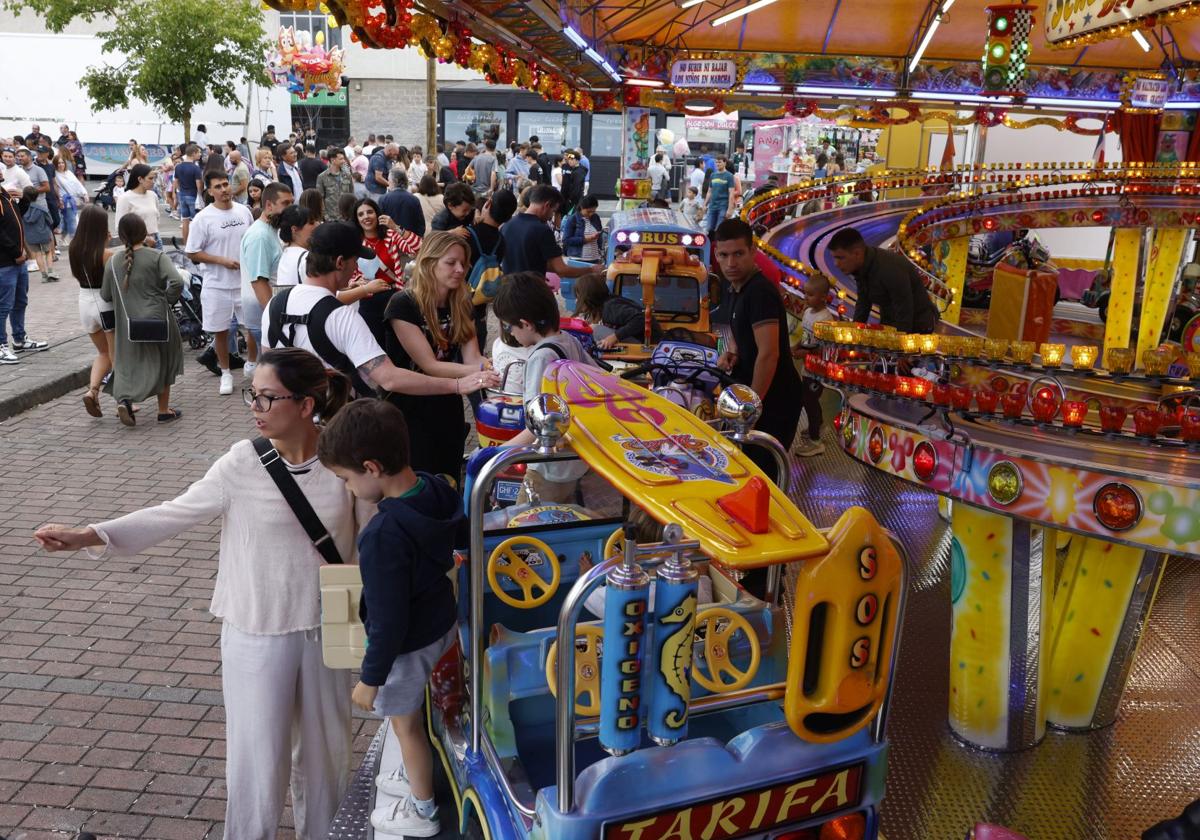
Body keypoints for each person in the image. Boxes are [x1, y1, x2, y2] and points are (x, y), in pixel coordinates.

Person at [36, 348, 361, 839]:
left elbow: (372, 542)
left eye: (268, 398)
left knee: (328, 756)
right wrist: (91, 534)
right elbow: (174, 513)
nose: (255, 406)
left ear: (306, 404)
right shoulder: (242, 463)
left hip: (331, 625)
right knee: (256, 761)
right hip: (256, 628)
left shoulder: (344, 464)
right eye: (254, 395)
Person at [316, 399, 461, 837]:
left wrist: (371, 678)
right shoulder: (436, 488)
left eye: (346, 478)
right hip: (441, 620)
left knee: (406, 726)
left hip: (408, 642)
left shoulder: (382, 534)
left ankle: (422, 809)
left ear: (372, 466)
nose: (347, 488)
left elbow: (387, 619)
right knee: (419, 713)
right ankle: (417, 780)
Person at [263, 221, 498, 399]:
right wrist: (457, 385)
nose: (357, 267)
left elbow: (266, 365)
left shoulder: (275, 304)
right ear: (340, 263)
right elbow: (388, 378)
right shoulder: (342, 316)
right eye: (356, 260)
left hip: (286, 419)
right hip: (333, 425)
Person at [383, 232, 488, 479]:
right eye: (451, 263)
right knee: (417, 476)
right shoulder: (403, 304)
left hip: (448, 398)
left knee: (448, 475)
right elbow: (429, 365)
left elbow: (473, 357)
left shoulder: (462, 302)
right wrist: (481, 372)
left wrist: (501, 364)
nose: (460, 269)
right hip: (409, 406)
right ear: (429, 263)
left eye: (463, 263)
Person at [493, 271, 600, 502]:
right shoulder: (568, 340)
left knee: (523, 527)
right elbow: (597, 379)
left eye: (508, 326)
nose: (510, 333)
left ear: (526, 324)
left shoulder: (540, 358)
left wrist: (495, 454)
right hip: (575, 463)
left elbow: (536, 426)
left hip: (547, 469)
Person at [712, 219, 802, 480]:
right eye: (724, 255)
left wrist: (749, 410)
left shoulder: (759, 292)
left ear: (753, 252)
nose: (731, 263)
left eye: (738, 254)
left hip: (773, 401)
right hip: (756, 398)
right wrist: (733, 352)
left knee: (762, 479)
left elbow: (769, 354)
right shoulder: (735, 289)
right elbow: (743, 336)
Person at [101, 213, 184, 425]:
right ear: (143, 231)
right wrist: (166, 300)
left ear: (121, 235)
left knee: (128, 363)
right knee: (163, 362)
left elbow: (105, 295)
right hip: (158, 318)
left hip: (129, 324)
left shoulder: (113, 262)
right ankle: (163, 410)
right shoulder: (156, 256)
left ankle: (125, 400)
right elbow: (176, 281)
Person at [187, 171, 256, 395]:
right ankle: (225, 372)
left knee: (253, 327)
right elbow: (192, 252)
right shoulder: (203, 218)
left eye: (226, 184)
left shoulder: (244, 211)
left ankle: (252, 364)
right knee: (220, 330)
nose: (224, 189)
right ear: (209, 191)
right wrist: (221, 261)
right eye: (218, 186)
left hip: (245, 282)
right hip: (217, 283)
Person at [829, 227, 939, 334]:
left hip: (918, 328)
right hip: (892, 323)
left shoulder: (889, 268)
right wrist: (853, 334)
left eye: (840, 258)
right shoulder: (863, 266)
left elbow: (904, 313)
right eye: (834, 258)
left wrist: (897, 345)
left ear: (857, 253)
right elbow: (863, 303)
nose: (836, 264)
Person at [351, 197, 422, 348]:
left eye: (370, 212)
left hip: (393, 296)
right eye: (361, 214)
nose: (366, 217)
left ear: (378, 214)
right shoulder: (354, 242)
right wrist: (356, 282)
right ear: (356, 219)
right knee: (374, 345)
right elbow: (348, 271)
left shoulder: (390, 235)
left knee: (397, 345)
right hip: (368, 298)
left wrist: (396, 227)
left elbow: (418, 249)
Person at [70, 205, 117, 416]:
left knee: (102, 353)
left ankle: (93, 391)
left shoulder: (73, 249)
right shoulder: (106, 254)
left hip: (84, 301)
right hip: (105, 304)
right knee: (117, 355)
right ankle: (124, 402)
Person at [241, 181, 294, 365]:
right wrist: (275, 319)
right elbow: (259, 281)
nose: (290, 209)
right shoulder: (260, 236)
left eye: (291, 203)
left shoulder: (272, 230)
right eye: (285, 203)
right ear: (269, 205)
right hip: (265, 314)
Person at [500, 184, 590, 279]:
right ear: (547, 205)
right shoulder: (542, 230)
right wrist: (591, 270)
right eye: (553, 211)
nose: (551, 216)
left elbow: (523, 260)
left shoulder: (507, 225)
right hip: (530, 289)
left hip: (507, 289)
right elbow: (561, 269)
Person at [464, 189, 516, 352]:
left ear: (487, 204)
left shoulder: (468, 233)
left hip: (460, 296)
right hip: (480, 298)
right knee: (478, 333)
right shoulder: (501, 240)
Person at [789, 273, 834, 458]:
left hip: (818, 369)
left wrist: (803, 353)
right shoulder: (808, 313)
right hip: (808, 367)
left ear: (823, 297)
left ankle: (816, 442)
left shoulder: (825, 320)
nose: (805, 298)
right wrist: (797, 346)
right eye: (805, 293)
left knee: (810, 400)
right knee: (808, 398)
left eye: (810, 295)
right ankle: (818, 424)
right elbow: (805, 336)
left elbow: (822, 349)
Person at [0, 188, 46, 363]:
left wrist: (24, 201)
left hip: (17, 261)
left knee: (20, 301)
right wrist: (15, 253)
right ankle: (1, 346)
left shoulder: (4, 194)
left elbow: (16, 218)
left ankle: (19, 339)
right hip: (6, 262)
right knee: (3, 306)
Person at [573, 272, 661, 350]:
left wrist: (614, 337)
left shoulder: (609, 307)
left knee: (594, 329)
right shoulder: (608, 303)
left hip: (647, 346)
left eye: (578, 297)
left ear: (589, 297)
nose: (576, 301)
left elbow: (641, 317)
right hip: (642, 341)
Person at [115, 163, 162, 249]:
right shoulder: (125, 198)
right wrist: (144, 239)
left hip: (156, 239)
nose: (153, 181)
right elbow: (120, 227)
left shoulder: (153, 195)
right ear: (140, 179)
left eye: (154, 178)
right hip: (137, 244)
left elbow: (157, 218)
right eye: (150, 178)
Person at [276, 205, 317, 288]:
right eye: (311, 223)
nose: (317, 225)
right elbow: (322, 294)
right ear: (294, 229)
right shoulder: (305, 258)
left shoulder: (286, 254)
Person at [21, 186, 56, 281]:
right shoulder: (42, 208)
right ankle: (51, 272)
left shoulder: (22, 209)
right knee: (48, 252)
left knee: (37, 254)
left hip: (30, 236)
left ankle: (43, 275)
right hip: (43, 233)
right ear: (37, 195)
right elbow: (50, 221)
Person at [380, 168, 425, 237]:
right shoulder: (414, 199)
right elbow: (421, 226)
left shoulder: (383, 199)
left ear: (395, 181)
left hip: (391, 241)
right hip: (410, 241)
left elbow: (381, 224)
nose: (388, 183)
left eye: (389, 180)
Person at [54, 156, 88, 245]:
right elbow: (57, 188)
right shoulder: (55, 175)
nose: (61, 165)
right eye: (59, 163)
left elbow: (77, 183)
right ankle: (75, 241)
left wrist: (84, 193)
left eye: (62, 162)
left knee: (66, 221)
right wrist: (60, 199)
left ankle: (61, 239)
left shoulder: (69, 172)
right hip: (64, 201)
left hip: (72, 200)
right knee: (71, 220)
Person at [316, 148, 355, 221]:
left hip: (346, 217)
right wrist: (325, 216)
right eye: (341, 159)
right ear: (333, 160)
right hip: (331, 218)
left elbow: (351, 194)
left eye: (344, 158)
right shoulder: (322, 177)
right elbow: (320, 198)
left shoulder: (347, 175)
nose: (343, 161)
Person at [704, 155, 740, 234]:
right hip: (712, 206)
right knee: (709, 228)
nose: (717, 164)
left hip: (723, 206)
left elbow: (731, 193)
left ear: (725, 163)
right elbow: (709, 191)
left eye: (720, 162)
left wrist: (730, 209)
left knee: (719, 229)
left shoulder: (729, 176)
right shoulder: (713, 175)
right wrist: (705, 204)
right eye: (716, 162)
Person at [561, 195, 603, 263]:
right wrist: (585, 239)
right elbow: (566, 240)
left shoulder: (596, 218)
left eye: (593, 211)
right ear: (581, 207)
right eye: (588, 211)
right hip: (577, 259)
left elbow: (600, 235)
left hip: (594, 258)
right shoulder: (572, 219)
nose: (591, 214)